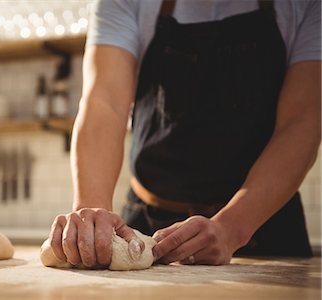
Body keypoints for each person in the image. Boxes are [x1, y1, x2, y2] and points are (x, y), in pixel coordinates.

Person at [48, 0, 321, 267]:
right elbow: (103, 103)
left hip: (263, 225)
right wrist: (92, 215)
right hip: (146, 226)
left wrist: (231, 227)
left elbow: (303, 120)